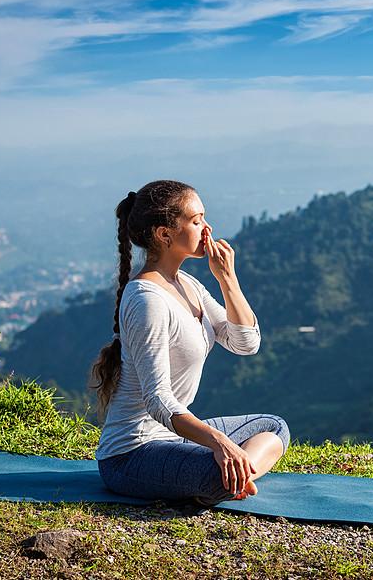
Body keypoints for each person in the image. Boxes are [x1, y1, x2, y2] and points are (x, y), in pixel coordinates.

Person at [90, 180, 289, 506]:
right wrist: (218, 442)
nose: (207, 228)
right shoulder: (147, 300)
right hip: (131, 455)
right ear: (164, 234)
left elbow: (245, 343)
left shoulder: (189, 284)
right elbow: (158, 400)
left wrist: (228, 279)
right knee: (217, 469)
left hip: (173, 439)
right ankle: (224, 481)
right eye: (196, 221)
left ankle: (232, 480)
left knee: (274, 427)